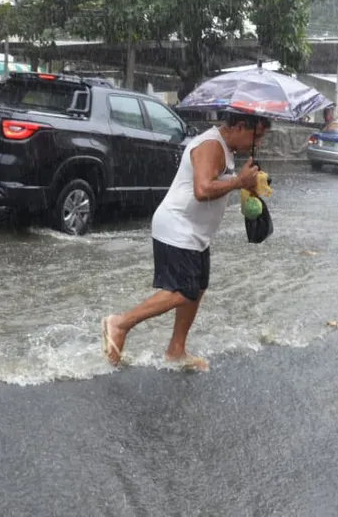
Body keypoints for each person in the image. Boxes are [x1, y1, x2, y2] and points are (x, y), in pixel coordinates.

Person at [101, 112, 271, 371]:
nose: (257, 143)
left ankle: (176, 350)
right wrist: (238, 182)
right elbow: (202, 190)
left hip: (195, 233)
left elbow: (218, 184)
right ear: (238, 126)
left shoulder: (225, 148)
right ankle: (120, 323)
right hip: (178, 227)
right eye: (255, 136)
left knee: (198, 287)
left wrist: (248, 187)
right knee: (183, 291)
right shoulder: (210, 145)